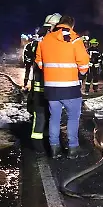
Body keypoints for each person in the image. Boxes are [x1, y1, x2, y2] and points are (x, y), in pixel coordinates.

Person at [35, 15, 90, 159]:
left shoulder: (45, 40)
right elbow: (84, 63)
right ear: (71, 25)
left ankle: (54, 149)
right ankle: (73, 149)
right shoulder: (75, 39)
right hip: (70, 87)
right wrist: (81, 73)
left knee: (54, 117)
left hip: (51, 88)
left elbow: (40, 63)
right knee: (73, 118)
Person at [27, 13, 60, 151]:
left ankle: (39, 143)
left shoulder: (37, 40)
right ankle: (42, 143)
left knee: (40, 113)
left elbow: (30, 57)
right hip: (50, 85)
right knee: (47, 113)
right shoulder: (51, 40)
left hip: (39, 84)